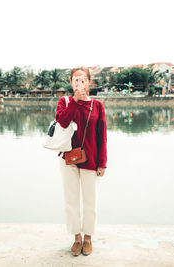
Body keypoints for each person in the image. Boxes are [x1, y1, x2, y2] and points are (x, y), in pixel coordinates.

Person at [55, 66, 107, 256]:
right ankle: (76, 238)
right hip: (68, 159)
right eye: (75, 79)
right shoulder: (64, 102)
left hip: (91, 160)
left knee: (91, 202)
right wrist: (76, 100)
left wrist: (102, 163)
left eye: (83, 79)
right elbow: (62, 121)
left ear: (89, 82)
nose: (79, 83)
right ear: (71, 83)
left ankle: (88, 238)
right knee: (71, 201)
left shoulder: (98, 106)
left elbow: (102, 136)